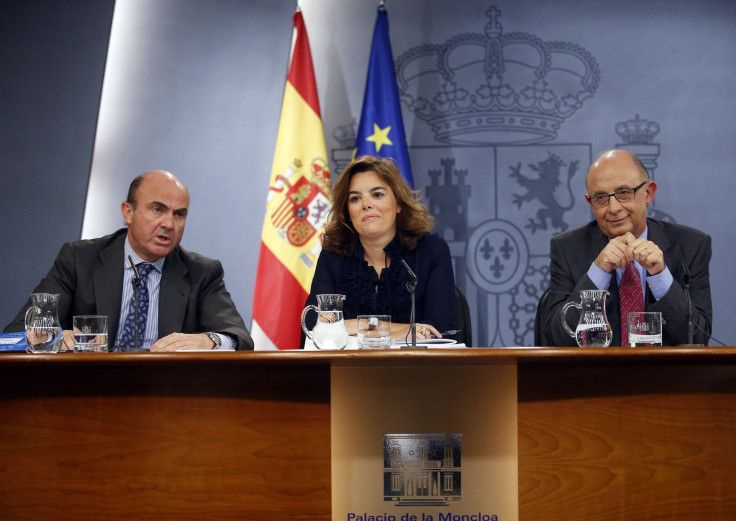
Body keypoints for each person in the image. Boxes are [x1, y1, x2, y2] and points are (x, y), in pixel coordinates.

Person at [4, 170, 253, 351]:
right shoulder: (79, 260)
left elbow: (239, 338)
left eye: (179, 214)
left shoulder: (202, 272)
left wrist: (209, 340)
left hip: (168, 397)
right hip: (87, 392)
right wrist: (55, 337)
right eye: (157, 209)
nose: (169, 223)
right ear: (128, 212)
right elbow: (14, 335)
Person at [544, 149, 712, 346]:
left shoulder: (690, 245)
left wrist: (660, 276)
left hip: (668, 375)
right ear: (590, 203)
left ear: (648, 193)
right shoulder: (567, 248)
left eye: (624, 193)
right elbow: (556, 339)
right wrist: (597, 272)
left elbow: (697, 338)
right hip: (595, 375)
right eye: (600, 197)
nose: (614, 208)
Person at [304, 156, 456, 344]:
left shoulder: (432, 251)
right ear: (347, 212)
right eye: (355, 198)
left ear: (398, 204)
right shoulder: (333, 255)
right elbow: (314, 326)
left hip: (417, 370)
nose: (366, 204)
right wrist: (399, 329)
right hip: (347, 370)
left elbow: (438, 329)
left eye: (377, 194)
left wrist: (350, 327)